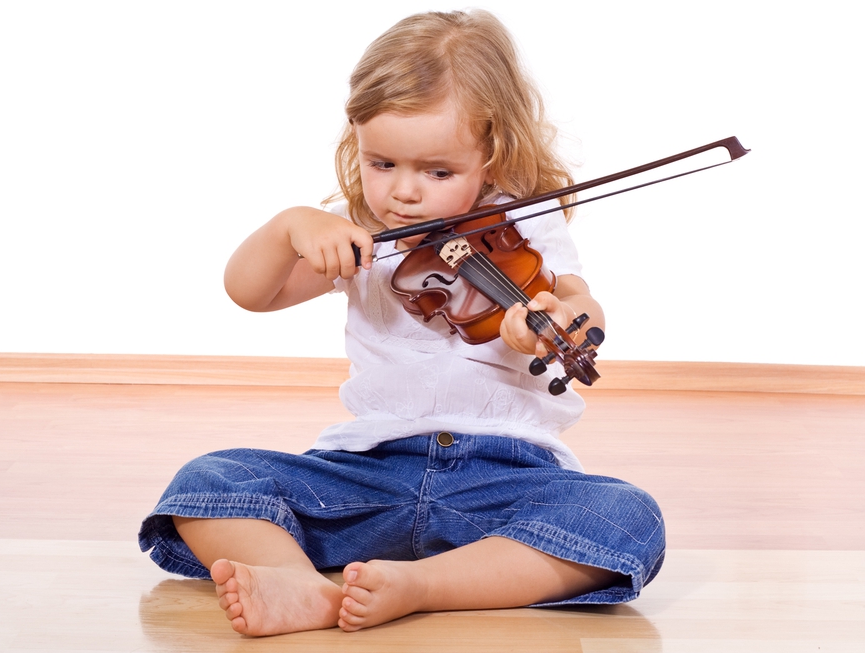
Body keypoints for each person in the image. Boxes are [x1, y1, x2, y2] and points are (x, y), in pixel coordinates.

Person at [138, 9, 665, 637]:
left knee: (625, 517)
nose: (404, 193)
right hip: (368, 471)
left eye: (438, 172)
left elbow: (575, 296)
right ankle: (300, 586)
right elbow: (252, 292)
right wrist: (291, 225)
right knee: (209, 479)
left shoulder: (525, 220)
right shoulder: (356, 229)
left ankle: (422, 586)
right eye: (382, 163)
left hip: (503, 481)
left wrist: (559, 319)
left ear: (490, 152)